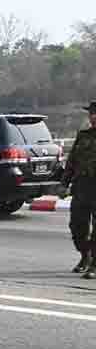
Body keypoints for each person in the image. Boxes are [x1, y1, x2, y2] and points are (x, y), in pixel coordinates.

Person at [62, 101, 96, 279]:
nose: (93, 116)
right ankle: (85, 255)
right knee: (77, 226)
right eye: (91, 113)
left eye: (95, 113)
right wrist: (64, 182)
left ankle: (94, 265)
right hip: (82, 187)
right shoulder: (83, 136)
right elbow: (72, 160)